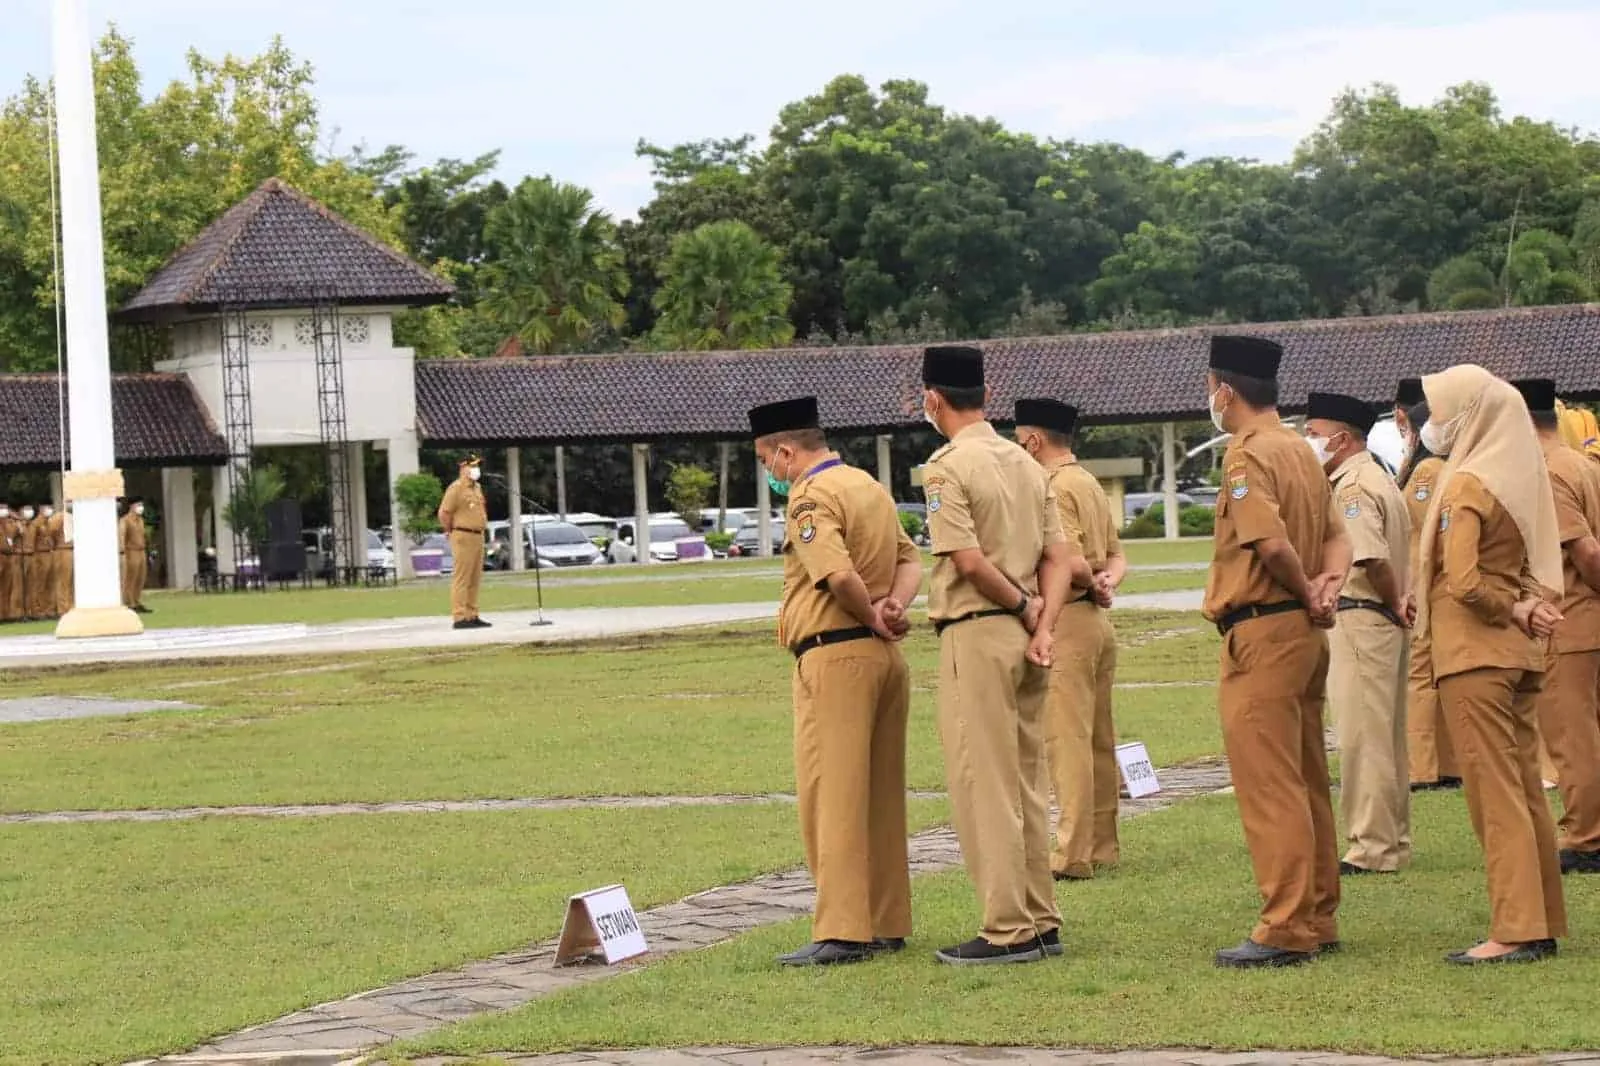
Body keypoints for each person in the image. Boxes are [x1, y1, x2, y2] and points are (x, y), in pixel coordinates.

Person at [921, 344, 1087, 966]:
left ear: (934, 400)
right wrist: (1044, 623)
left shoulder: (945, 467)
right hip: (1029, 633)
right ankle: (1041, 916)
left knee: (982, 781)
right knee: (1026, 778)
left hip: (981, 628)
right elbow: (1058, 559)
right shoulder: (1026, 463)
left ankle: (1007, 926)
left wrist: (1022, 610)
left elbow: (965, 559)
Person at [750, 396, 924, 966]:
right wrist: (895, 607)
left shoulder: (811, 496)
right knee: (880, 792)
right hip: (882, 657)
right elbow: (909, 559)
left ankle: (844, 929)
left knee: (833, 795)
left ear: (785, 451)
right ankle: (886, 917)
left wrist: (873, 613)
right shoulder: (867, 486)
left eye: (765, 461)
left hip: (836, 655)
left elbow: (836, 574)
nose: (770, 473)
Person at [1202, 335, 1352, 969]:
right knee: (1306, 774)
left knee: (1270, 782)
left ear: (1226, 392)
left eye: (1211, 387)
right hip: (1301, 631)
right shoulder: (1301, 450)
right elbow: (1339, 538)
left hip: (1262, 628)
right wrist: (1327, 589)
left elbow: (1268, 543)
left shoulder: (1247, 457)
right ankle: (1317, 912)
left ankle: (1285, 923)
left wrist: (1304, 589)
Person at [1416, 364, 1567, 963]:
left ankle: (1515, 928)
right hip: (1517, 659)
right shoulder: (1517, 476)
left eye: (1440, 410)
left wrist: (1514, 609)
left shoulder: (1467, 484)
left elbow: (1463, 580)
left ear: (1469, 416)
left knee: (1495, 795)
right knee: (1526, 789)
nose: (1433, 423)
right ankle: (1542, 917)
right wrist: (1526, 609)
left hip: (1475, 653)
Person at [1014, 397, 1126, 882]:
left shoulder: (1053, 487)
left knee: (1068, 740)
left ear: (1035, 441)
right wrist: (1107, 581)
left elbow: (1071, 559)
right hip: (1096, 623)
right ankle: (1101, 843)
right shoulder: (1088, 481)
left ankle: (1071, 852)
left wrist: (1090, 578)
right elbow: (1117, 555)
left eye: (1020, 443)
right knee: (1099, 736)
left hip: (1069, 620)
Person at [1304, 391, 1412, 876]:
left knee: (1362, 737)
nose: (1308, 444)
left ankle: (1371, 847)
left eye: (1314, 435)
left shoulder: (1352, 487)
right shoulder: (1377, 474)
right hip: (1377, 620)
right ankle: (1392, 838)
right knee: (1385, 737)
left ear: (1342, 439)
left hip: (1361, 614)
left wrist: (1391, 600)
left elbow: (1370, 557)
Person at [1513, 379, 1600, 875]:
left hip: (1568, 617)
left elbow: (1584, 550)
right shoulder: (1583, 463)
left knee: (1572, 737)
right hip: (1587, 616)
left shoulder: (1546, 472)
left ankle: (1586, 837)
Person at [1398, 393, 1463, 793]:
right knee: (1428, 677)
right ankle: (1433, 764)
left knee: (1427, 677)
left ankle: (1433, 764)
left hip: (1428, 586)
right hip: (1427, 586)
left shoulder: (1429, 469)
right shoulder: (1432, 471)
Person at [438, 455, 490, 629]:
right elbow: (444, 512)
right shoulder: (456, 488)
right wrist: (449, 530)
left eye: (477, 466)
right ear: (463, 468)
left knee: (475, 577)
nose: (476, 470)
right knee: (462, 577)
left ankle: (472, 614)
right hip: (463, 534)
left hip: (478, 535)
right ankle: (459, 616)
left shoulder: (477, 488)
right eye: (473, 466)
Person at [119, 499, 151, 613]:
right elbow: (122, 535)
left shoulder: (140, 520)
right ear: (131, 506)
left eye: (141, 505)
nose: (141, 507)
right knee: (131, 577)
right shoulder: (125, 520)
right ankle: (129, 602)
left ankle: (137, 601)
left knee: (140, 578)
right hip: (131, 551)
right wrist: (122, 549)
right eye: (138, 505)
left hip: (141, 551)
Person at [30, 503, 60, 621]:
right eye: (47, 508)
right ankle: (39, 611)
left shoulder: (50, 523)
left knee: (50, 584)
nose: (50, 510)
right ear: (41, 509)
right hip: (39, 555)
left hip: (49, 553)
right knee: (40, 584)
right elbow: (31, 542)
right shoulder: (36, 523)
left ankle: (49, 610)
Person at [19, 504, 42, 621]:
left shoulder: (34, 526)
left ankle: (34, 612)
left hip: (33, 555)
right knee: (22, 586)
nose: (29, 512)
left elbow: (38, 539)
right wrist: (20, 525)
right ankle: (23, 613)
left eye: (30, 509)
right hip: (22, 556)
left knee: (34, 585)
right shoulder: (17, 525)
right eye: (26, 510)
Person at [0, 502, 21, 623]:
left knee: (7, 588)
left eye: (5, 508)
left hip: (8, 556)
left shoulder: (8, 524)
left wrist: (16, 518)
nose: (3, 511)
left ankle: (5, 615)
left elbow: (15, 533)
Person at [54, 501, 75, 617]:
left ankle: (71, 605)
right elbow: (51, 532)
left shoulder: (76, 516)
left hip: (74, 550)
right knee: (63, 580)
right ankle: (63, 608)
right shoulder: (59, 517)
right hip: (63, 549)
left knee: (71, 581)